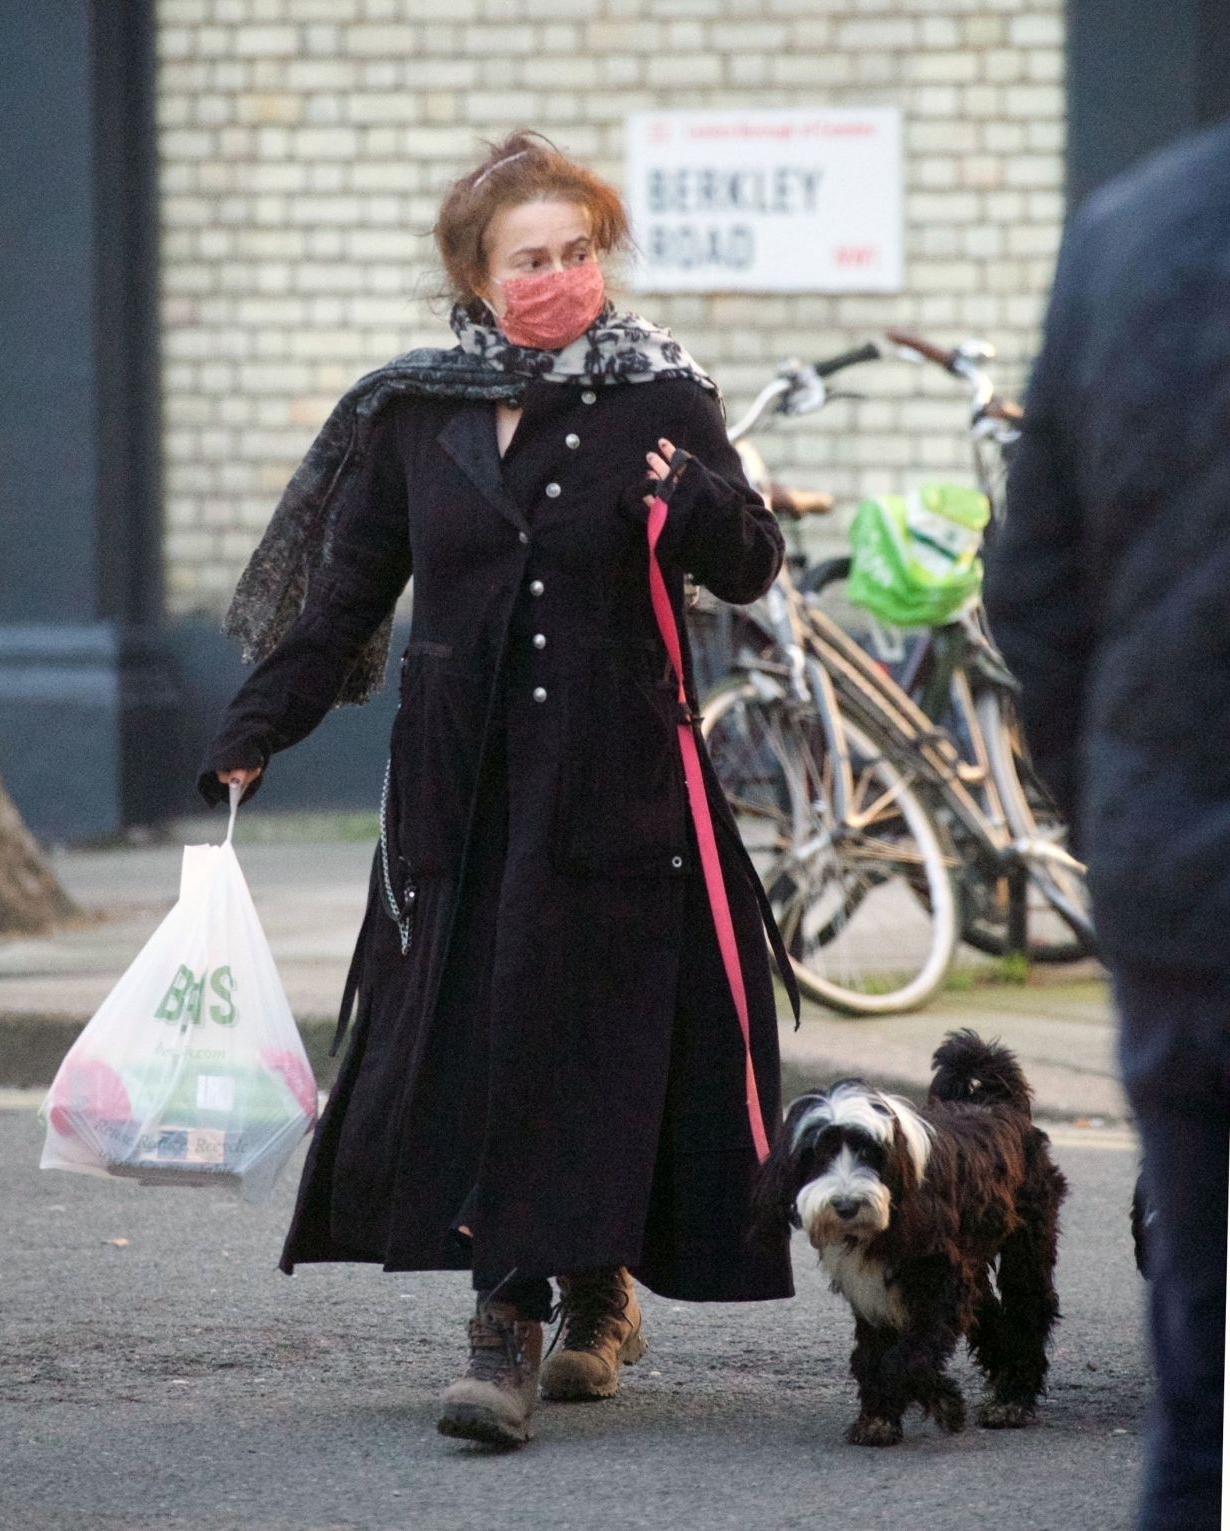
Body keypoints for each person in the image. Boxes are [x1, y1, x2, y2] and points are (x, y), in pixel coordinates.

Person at [196, 130, 799, 1450]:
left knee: (584, 1035)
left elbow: (750, 563)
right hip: (458, 790)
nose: (561, 277)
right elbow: (347, 595)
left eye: (579, 252)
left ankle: (556, 1301)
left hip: (620, 778)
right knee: (483, 1034)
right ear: (476, 274)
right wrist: (255, 729)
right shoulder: (416, 412)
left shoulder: (660, 394)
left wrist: (699, 498)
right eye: (532, 258)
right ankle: (530, 1303)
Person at [983, 119, 1230, 1531]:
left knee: (1201, 1364)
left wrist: (1115, 813)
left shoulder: (1126, 232)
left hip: (1180, 881)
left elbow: (1034, 584)